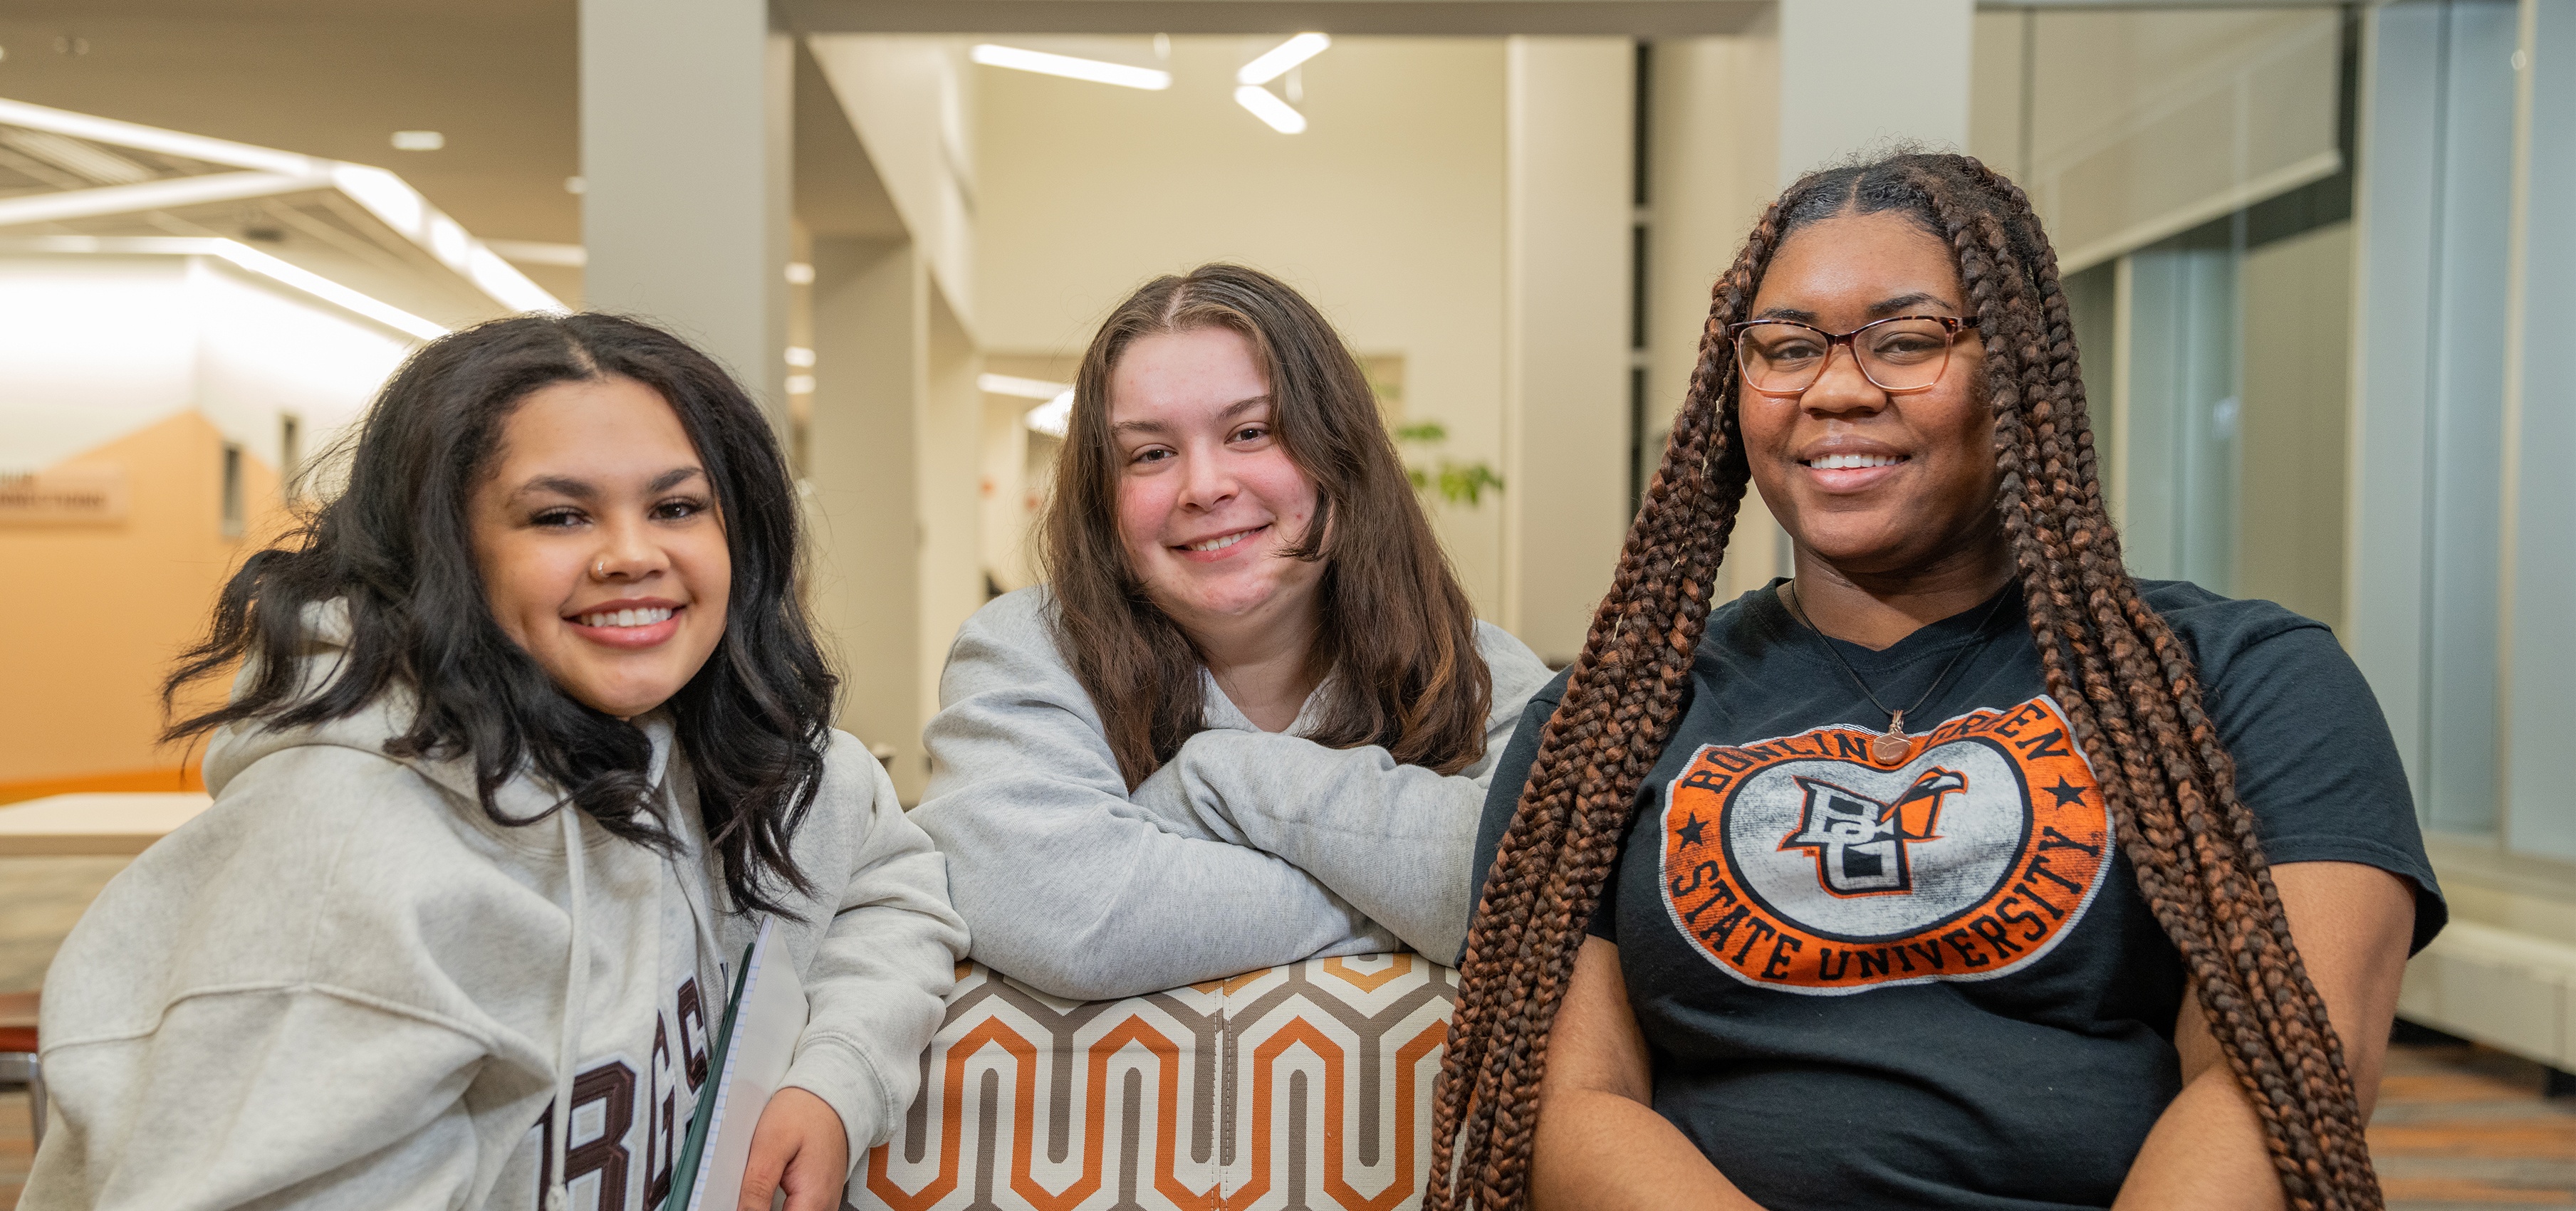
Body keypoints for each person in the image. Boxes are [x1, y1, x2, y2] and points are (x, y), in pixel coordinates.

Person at [1435, 154, 2443, 1211]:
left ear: (2015, 369)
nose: (1835, 389)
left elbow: (2279, 1077)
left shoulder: (2244, 680)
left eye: (1906, 341)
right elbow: (1565, 1103)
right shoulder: (1601, 725)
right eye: (1786, 348)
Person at [24, 314, 969, 1211]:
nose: (631, 554)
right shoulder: (345, 860)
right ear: (442, 549)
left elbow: (884, 888)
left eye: (676, 506)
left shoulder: (719, 743)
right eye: (559, 517)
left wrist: (833, 1080)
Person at [914, 263, 1553, 1000]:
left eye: (1250, 432)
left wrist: (1225, 777)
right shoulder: (1026, 651)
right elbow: (1074, 917)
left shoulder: (1471, 667)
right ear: (1101, 497)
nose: (1204, 487)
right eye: (1150, 454)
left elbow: (1562, 890)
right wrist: (1413, 901)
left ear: (1339, 453)